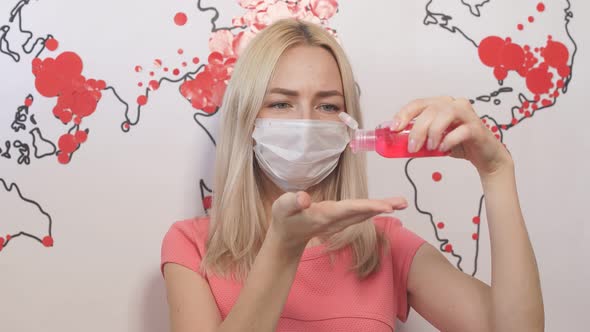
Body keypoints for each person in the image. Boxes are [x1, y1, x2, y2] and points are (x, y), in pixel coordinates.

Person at [161, 19, 544, 332]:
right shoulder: (193, 247)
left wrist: (496, 172)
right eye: (281, 103)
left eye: (328, 106)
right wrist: (283, 247)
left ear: (350, 128)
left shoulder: (382, 246)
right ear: (246, 120)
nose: (307, 122)